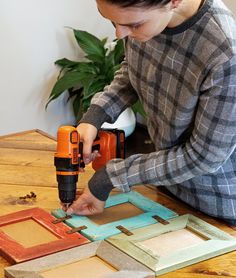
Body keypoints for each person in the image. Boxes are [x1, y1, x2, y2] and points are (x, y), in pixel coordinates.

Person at [65, 0, 236, 226]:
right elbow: (133, 70)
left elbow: (204, 157)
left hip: (217, 208)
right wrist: (96, 116)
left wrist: (110, 176)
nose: (119, 34)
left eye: (133, 25)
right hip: (168, 189)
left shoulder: (225, 54)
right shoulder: (145, 22)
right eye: (112, 22)